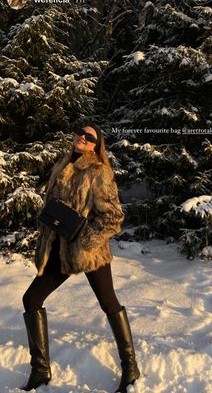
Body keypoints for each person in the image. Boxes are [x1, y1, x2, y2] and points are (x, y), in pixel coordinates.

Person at [21, 123, 140, 392]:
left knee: (109, 304)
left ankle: (131, 368)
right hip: (60, 249)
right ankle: (40, 371)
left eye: (90, 138)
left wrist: (85, 240)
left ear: (96, 146)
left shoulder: (99, 171)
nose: (82, 139)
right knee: (31, 299)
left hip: (89, 251)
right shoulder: (62, 165)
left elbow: (113, 217)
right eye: (80, 133)